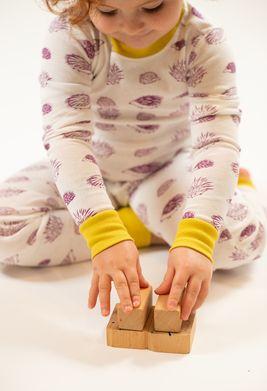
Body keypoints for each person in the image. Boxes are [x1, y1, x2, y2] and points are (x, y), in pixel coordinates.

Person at [0, 0, 266, 322]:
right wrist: (104, 234)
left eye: (153, 7)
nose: (132, 26)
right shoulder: (71, 34)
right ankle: (141, 228)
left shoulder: (202, 40)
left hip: (164, 170)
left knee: (238, 240)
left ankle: (240, 187)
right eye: (109, 12)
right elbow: (67, 137)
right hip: (88, 171)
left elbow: (217, 141)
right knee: (5, 227)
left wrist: (196, 238)